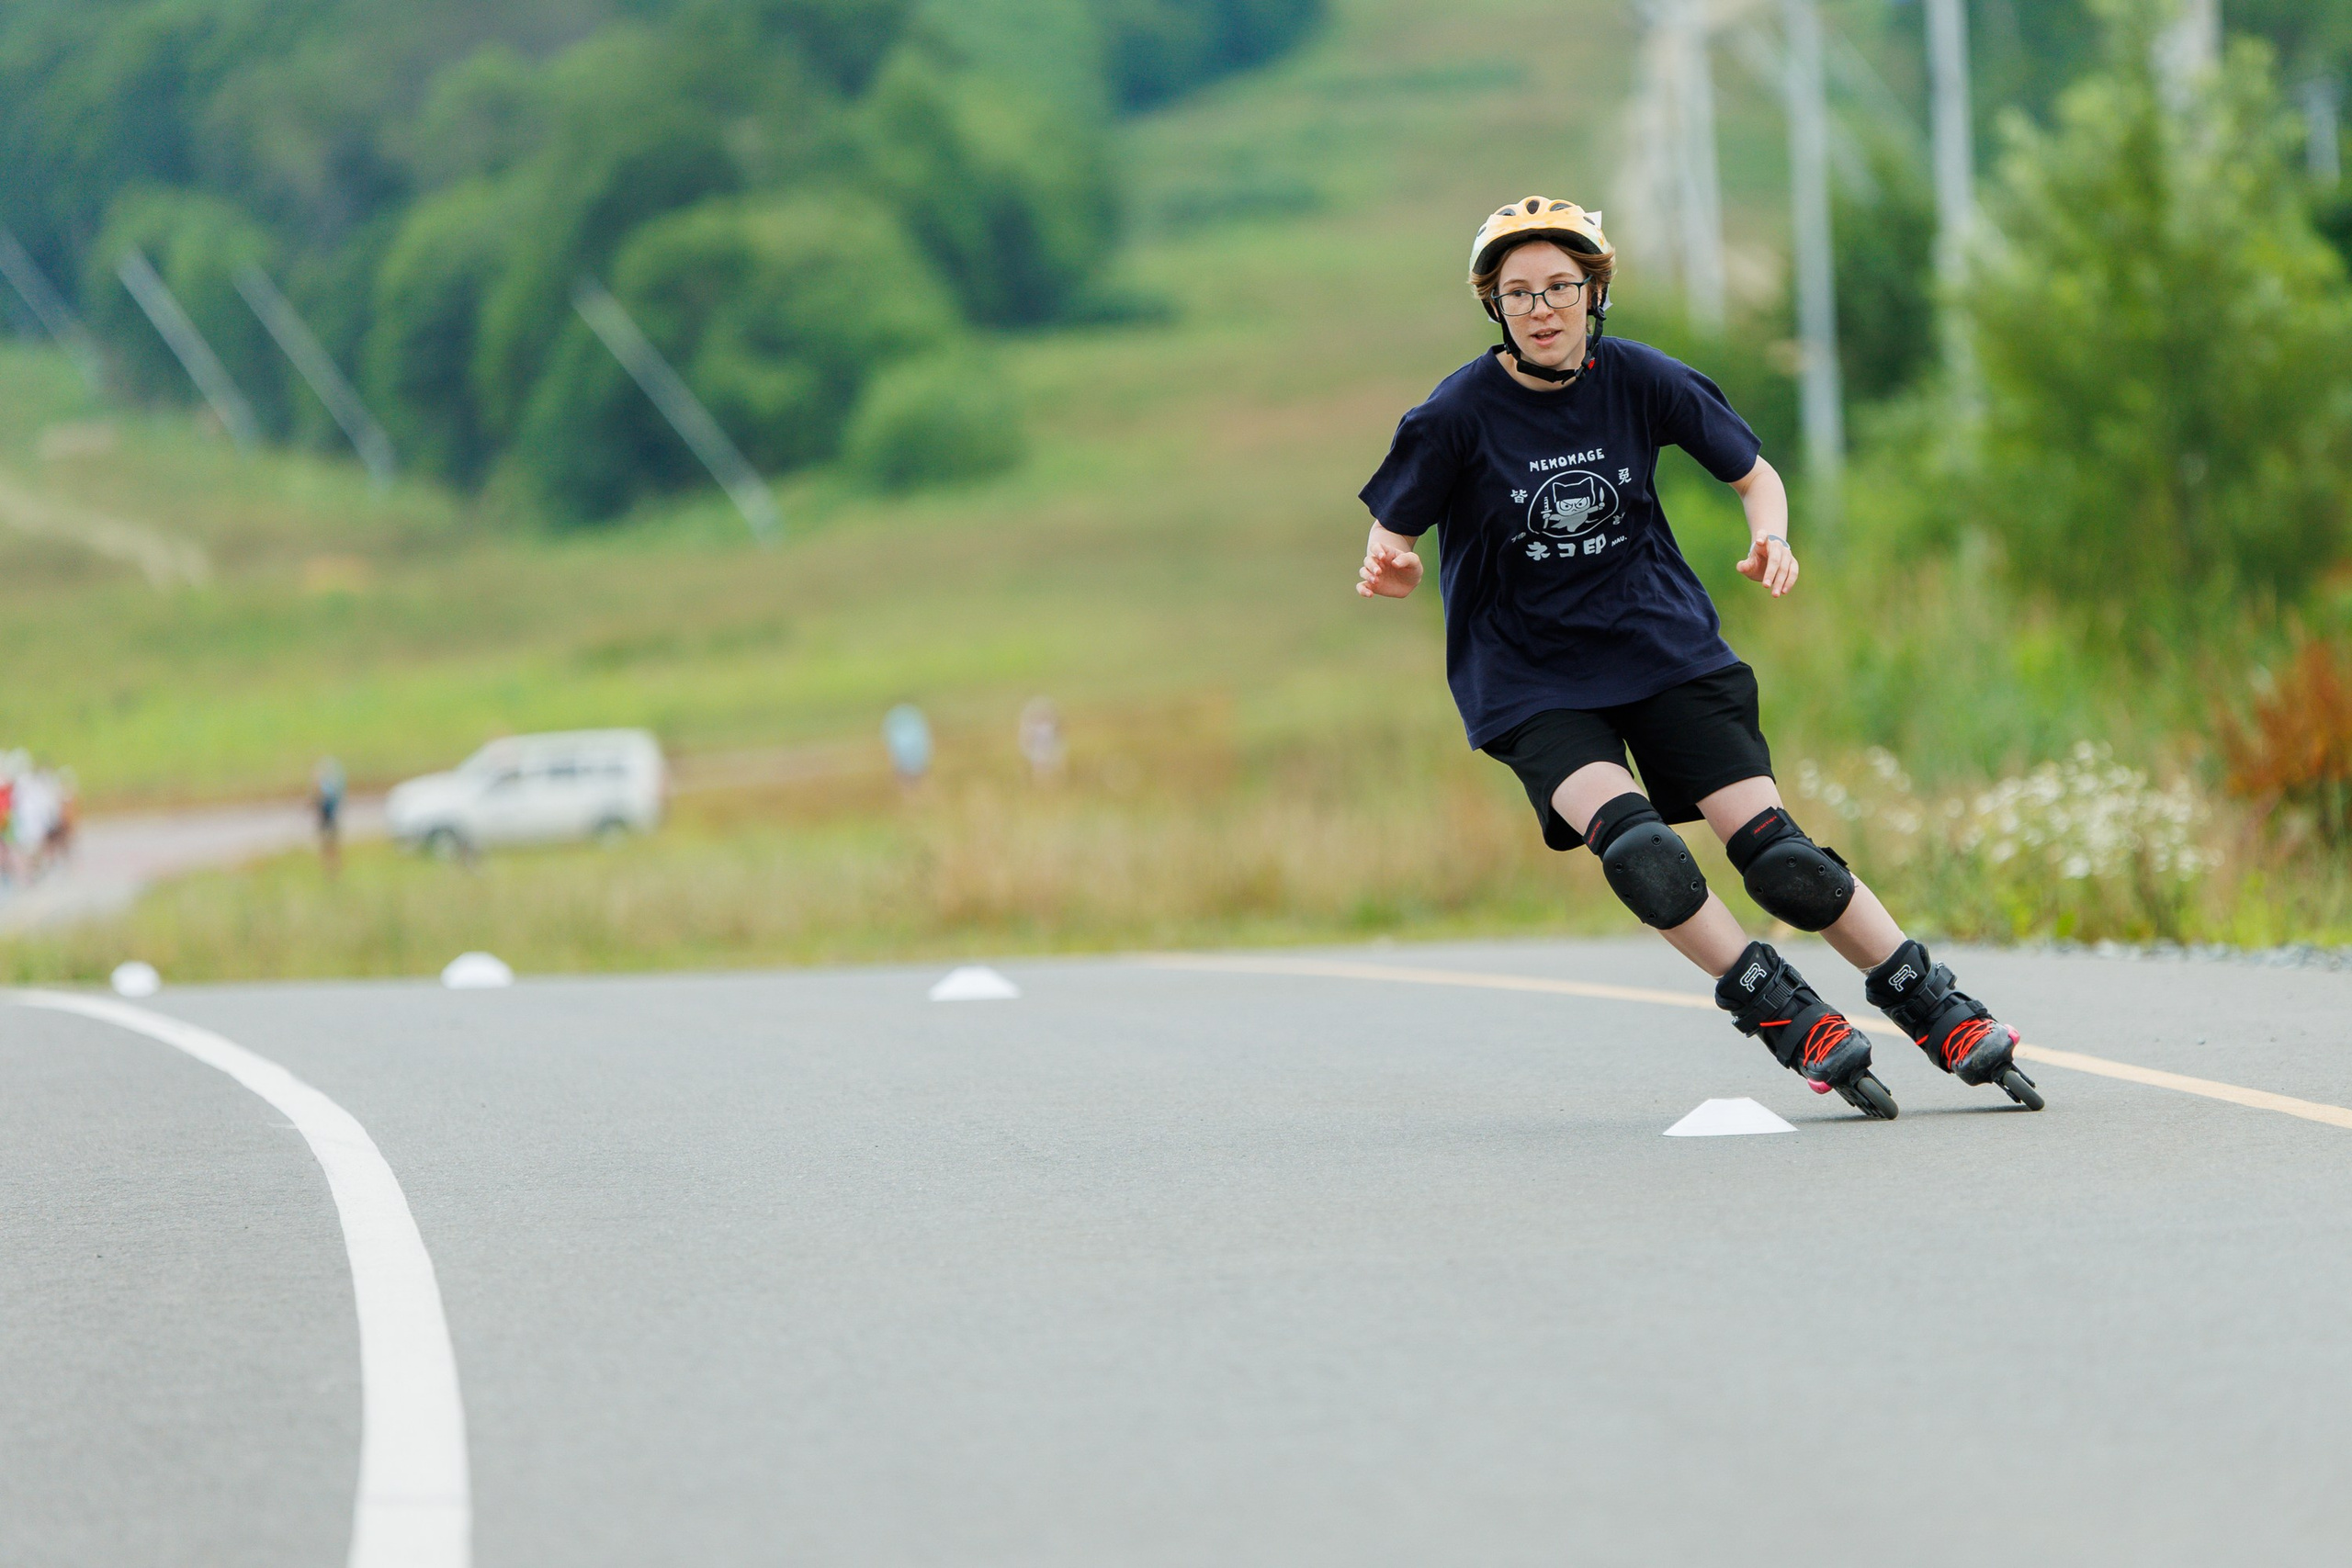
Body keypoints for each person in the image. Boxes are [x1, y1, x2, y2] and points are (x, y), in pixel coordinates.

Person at [1353, 196, 2039, 1118]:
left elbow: (1753, 475)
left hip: (1660, 645)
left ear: (1593, 291)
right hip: (1528, 677)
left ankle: (1930, 1001)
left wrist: (1774, 537)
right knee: (1641, 850)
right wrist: (1389, 569)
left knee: (1778, 858)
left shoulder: (1640, 378)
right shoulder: (1453, 415)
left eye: (1559, 286)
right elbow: (1388, 536)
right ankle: (1783, 1012)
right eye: (1518, 294)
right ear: (1495, 308)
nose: (1540, 308)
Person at [314, 757, 346, 878]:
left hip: (327, 819)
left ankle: (332, 868)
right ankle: (332, 868)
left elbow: (321, 799)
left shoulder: (326, 787)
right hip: (329, 818)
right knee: (329, 843)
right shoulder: (330, 786)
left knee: (328, 844)